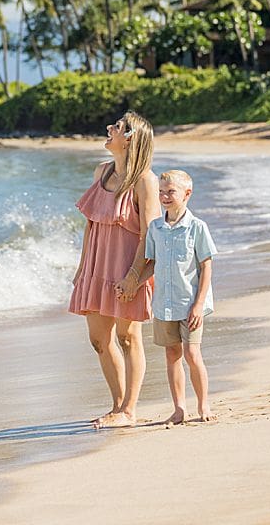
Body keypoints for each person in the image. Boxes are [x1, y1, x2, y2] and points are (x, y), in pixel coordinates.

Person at [68, 111, 159, 428]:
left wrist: (135, 276)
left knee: (129, 337)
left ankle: (128, 410)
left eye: (117, 127)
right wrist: (82, 269)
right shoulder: (101, 172)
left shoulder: (146, 180)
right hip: (97, 264)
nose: (109, 129)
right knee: (98, 339)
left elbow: (150, 234)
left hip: (128, 267)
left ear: (130, 138)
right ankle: (118, 405)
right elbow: (90, 225)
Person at [119, 170, 217, 424]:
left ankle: (204, 405)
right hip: (163, 304)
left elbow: (206, 265)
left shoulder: (197, 227)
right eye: (161, 192)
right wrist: (135, 284)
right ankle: (179, 409)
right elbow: (152, 263)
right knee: (171, 354)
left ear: (187, 194)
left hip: (190, 304)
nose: (164, 196)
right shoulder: (156, 228)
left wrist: (198, 304)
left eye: (170, 192)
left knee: (192, 354)